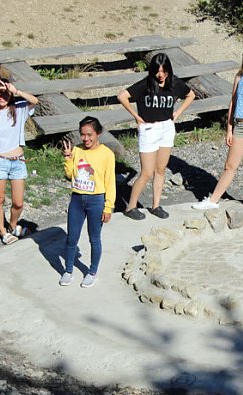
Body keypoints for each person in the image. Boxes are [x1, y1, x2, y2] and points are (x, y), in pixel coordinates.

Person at [192, 44, 243, 214]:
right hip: (240, 125)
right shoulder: (240, 78)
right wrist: (229, 129)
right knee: (230, 165)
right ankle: (213, 200)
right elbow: (233, 103)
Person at [117, 53, 195, 220]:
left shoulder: (174, 83)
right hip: (149, 129)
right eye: (158, 71)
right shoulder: (146, 84)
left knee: (160, 170)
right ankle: (130, 207)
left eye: (164, 71)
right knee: (146, 172)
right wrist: (136, 116)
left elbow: (191, 95)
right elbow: (122, 96)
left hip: (166, 127)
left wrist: (178, 112)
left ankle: (156, 205)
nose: (161, 75)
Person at [0, 77, 39, 244]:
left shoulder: (19, 109)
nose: (1, 96)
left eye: (5, 93)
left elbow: (35, 101)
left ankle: (12, 226)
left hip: (18, 161)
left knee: (18, 203)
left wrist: (16, 91)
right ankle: (4, 233)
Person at [59, 116, 116, 288]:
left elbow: (110, 182)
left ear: (98, 133)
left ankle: (92, 272)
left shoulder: (107, 154)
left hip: (96, 201)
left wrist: (108, 206)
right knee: (71, 238)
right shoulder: (76, 151)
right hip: (77, 199)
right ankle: (68, 270)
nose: (86, 139)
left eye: (90, 134)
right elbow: (70, 175)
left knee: (94, 239)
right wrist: (68, 158)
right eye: (82, 135)